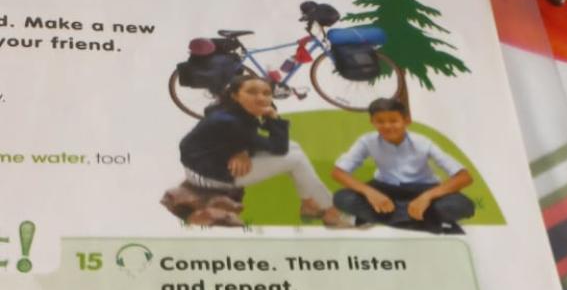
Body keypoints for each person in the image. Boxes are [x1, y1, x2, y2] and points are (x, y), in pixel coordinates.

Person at [176, 74, 349, 227]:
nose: (261, 97)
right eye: (251, 92)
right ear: (235, 95)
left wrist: (240, 150)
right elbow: (279, 148)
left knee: (294, 147)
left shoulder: (229, 110)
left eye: (267, 93)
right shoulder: (231, 121)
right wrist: (273, 118)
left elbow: (226, 138)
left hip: (212, 162)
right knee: (295, 160)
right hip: (207, 175)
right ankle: (330, 211)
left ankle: (309, 204)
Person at [331, 98, 475, 234]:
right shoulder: (367, 141)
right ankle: (428, 222)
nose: (387, 126)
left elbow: (464, 177)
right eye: (380, 121)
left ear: (406, 121)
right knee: (342, 198)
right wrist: (370, 193)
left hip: (422, 188)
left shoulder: (423, 143)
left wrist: (426, 197)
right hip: (384, 188)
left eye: (393, 121)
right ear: (372, 122)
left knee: (460, 205)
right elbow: (338, 172)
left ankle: (377, 218)